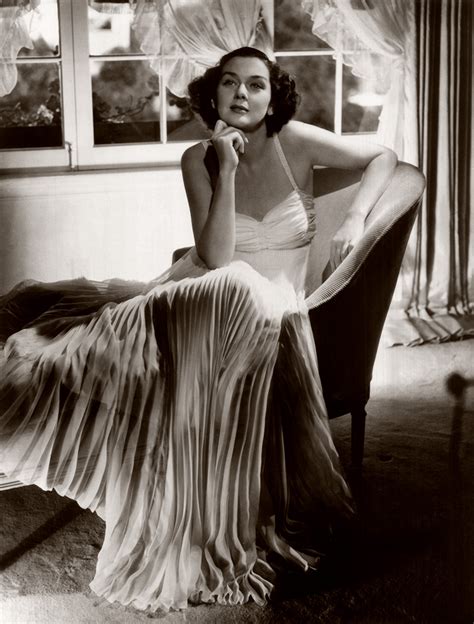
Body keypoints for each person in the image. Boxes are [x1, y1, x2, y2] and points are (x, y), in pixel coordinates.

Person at [0, 47, 397, 612]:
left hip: (271, 310)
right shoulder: (197, 159)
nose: (242, 94)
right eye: (230, 83)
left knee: (241, 290)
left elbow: (384, 156)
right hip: (202, 297)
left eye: (255, 84)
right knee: (52, 337)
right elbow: (215, 256)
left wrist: (355, 216)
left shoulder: (296, 141)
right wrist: (226, 167)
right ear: (214, 95)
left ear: (272, 98)